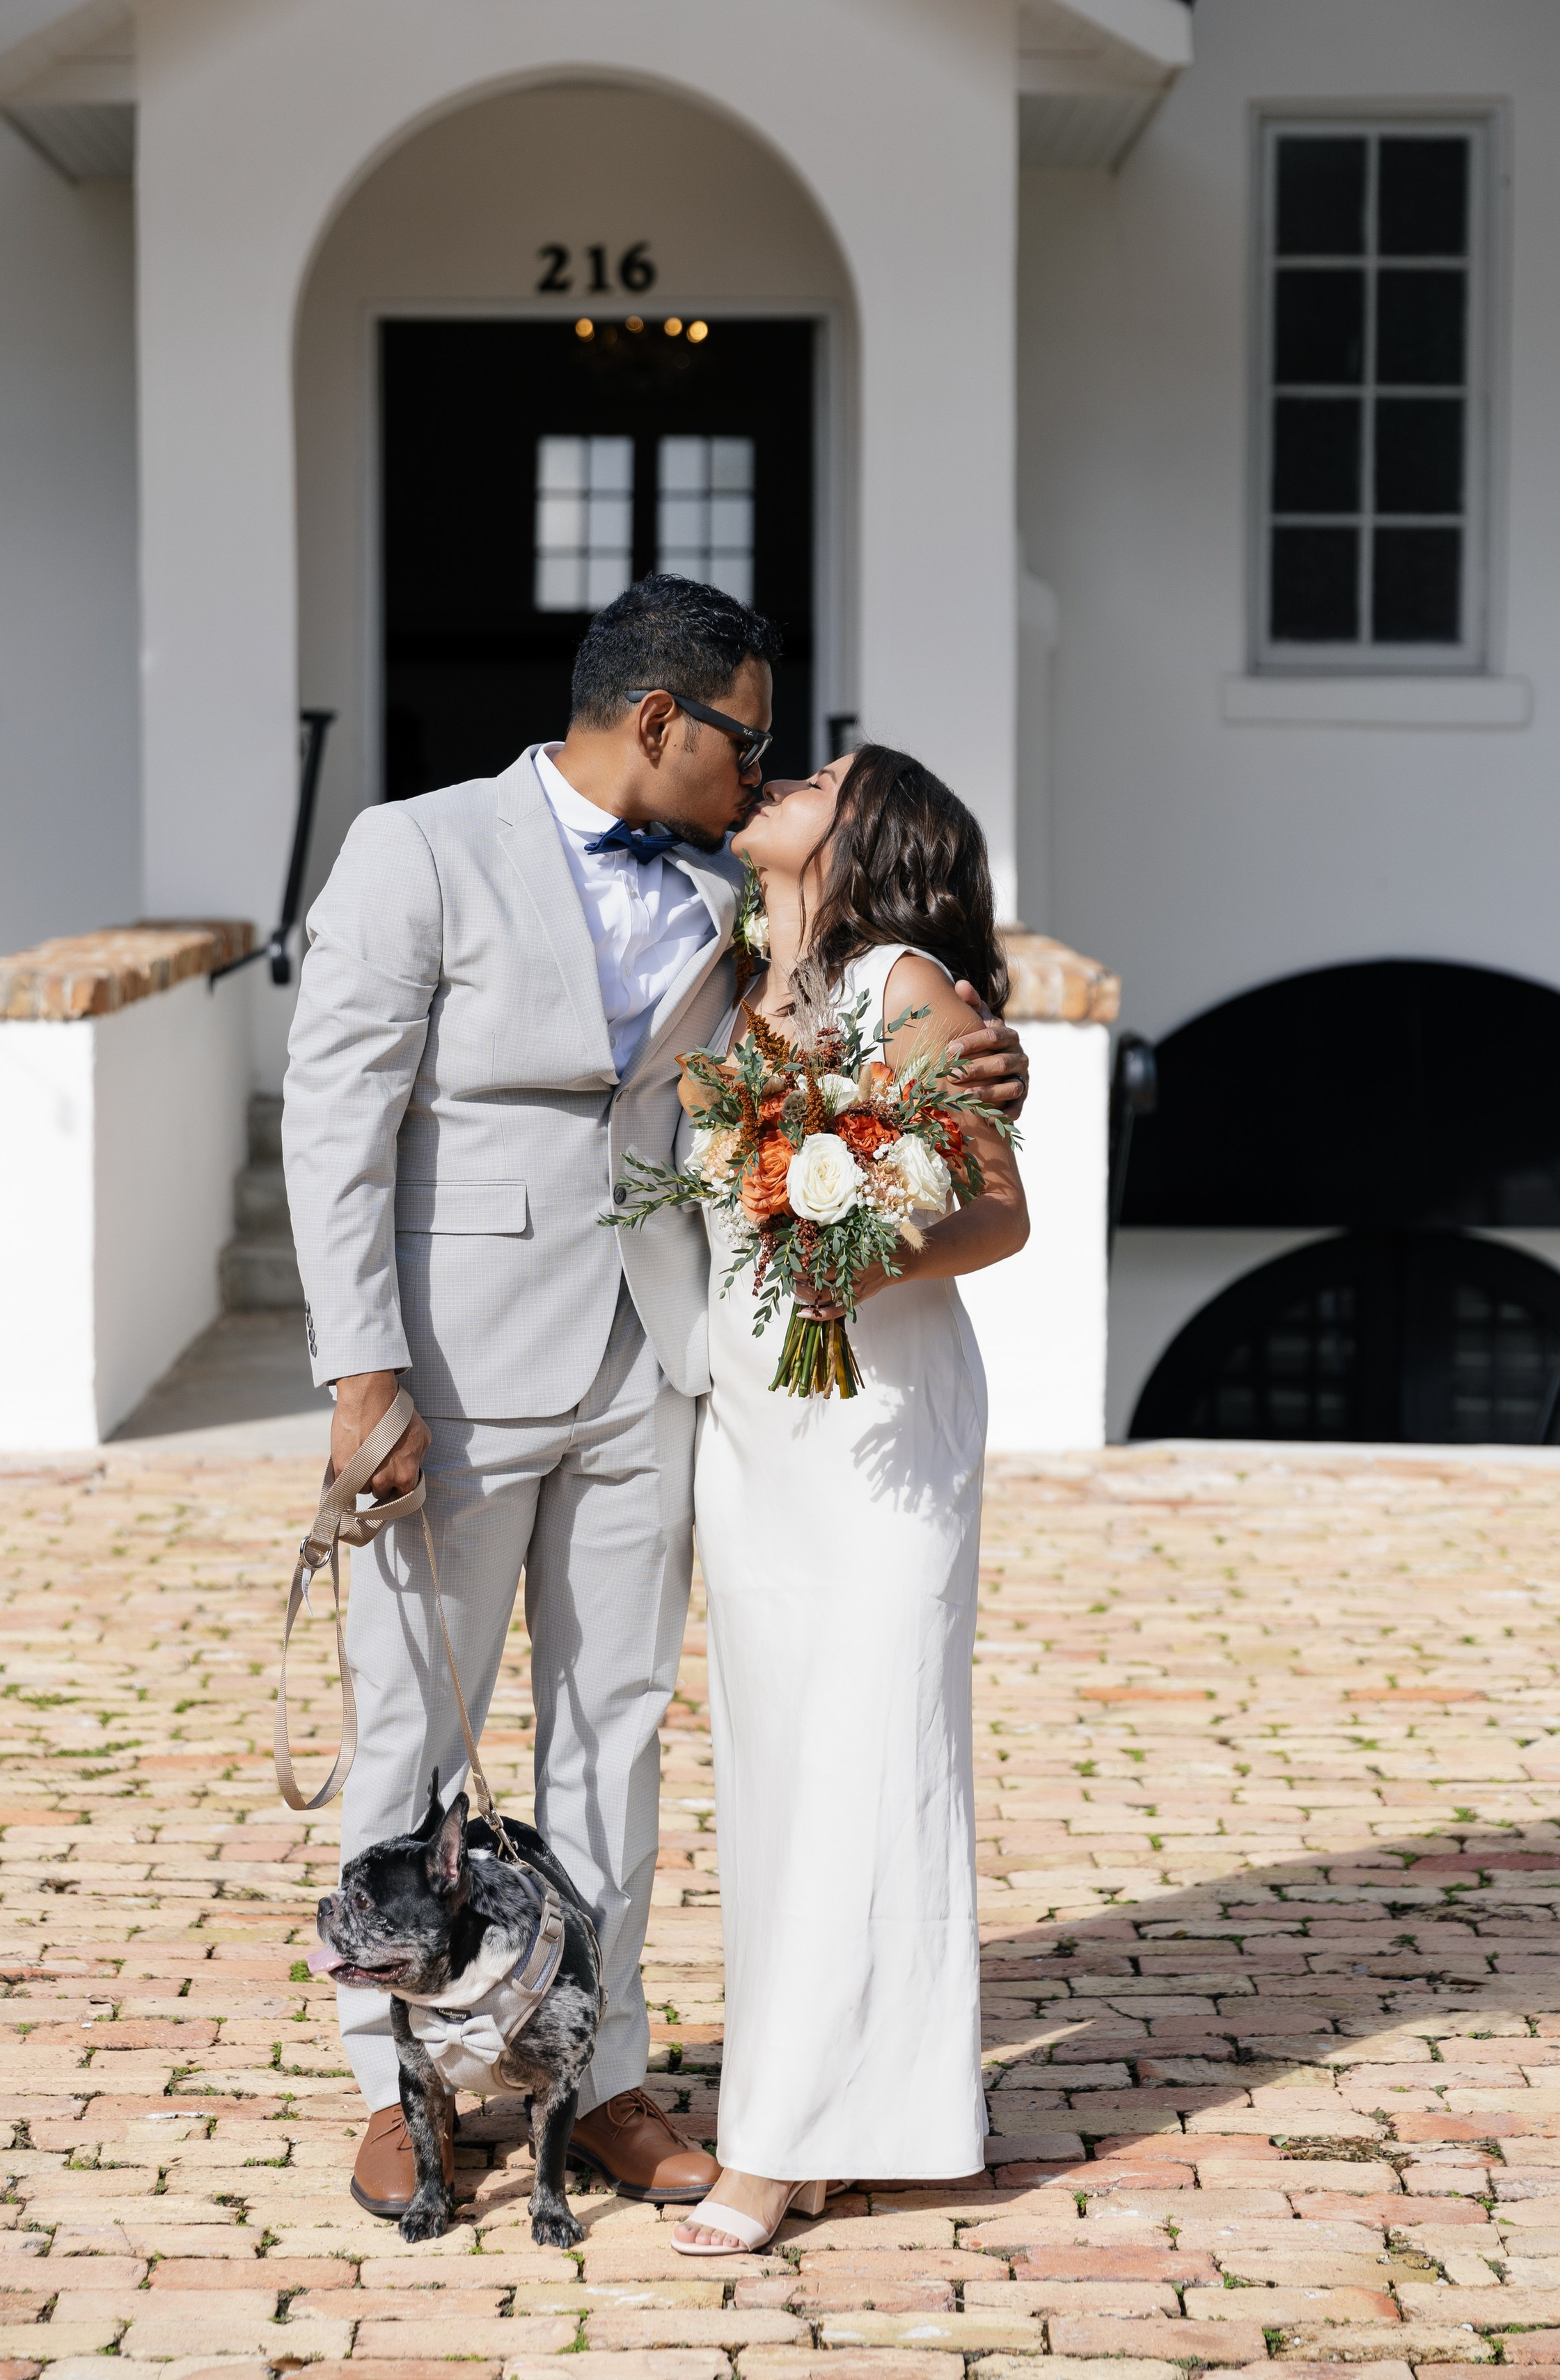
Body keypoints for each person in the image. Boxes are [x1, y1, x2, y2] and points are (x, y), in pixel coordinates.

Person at [283, 579, 1030, 2219]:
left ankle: (597, 2069)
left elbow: (866, 1020)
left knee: (613, 1729)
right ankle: (399, 2077)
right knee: (412, 1723)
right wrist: (363, 1373)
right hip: (452, 1369)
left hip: (661, 1370)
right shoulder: (414, 849)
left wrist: (987, 1062)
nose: (760, 771)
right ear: (655, 720)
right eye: (745, 741)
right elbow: (335, 1115)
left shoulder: (726, 894)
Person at [672, 744, 1028, 2256]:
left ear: (873, 830)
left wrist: (859, 1256)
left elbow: (996, 1210)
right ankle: (853, 2112)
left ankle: (775, 2144)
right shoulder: (731, 980)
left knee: (864, 1759)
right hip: (757, 1431)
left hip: (880, 1426)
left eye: (822, 773)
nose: (785, 777)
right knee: (776, 1774)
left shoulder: (902, 983)